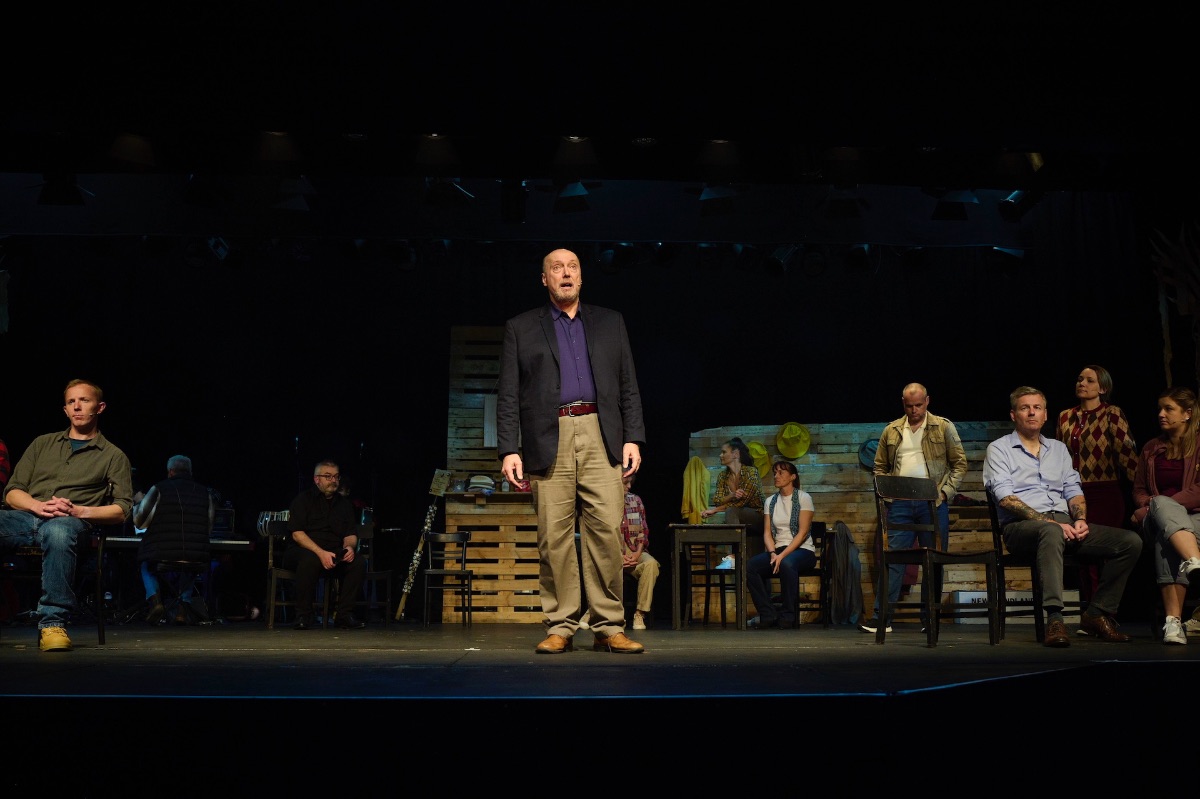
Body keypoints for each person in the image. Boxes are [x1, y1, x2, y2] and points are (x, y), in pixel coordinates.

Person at [498, 247, 646, 654]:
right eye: (556, 268)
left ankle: (608, 625)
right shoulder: (521, 327)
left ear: (581, 277)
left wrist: (633, 437)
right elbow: (508, 394)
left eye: (573, 267)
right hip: (550, 435)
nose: (565, 273)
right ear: (544, 279)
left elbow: (628, 385)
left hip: (601, 432)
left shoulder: (611, 322)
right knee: (554, 536)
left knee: (606, 533)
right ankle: (561, 625)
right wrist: (509, 448)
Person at [983, 385, 1143, 648]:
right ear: (1013, 415)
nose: (1031, 413)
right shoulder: (999, 449)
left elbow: (1073, 490)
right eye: (1025, 408)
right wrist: (1052, 523)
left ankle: (1096, 613)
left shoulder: (1058, 449)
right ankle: (1055, 618)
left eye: (1037, 408)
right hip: (1021, 528)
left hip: (1063, 524)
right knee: (1051, 531)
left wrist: (1080, 520)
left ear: (1045, 414)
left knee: (1129, 542)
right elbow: (1005, 498)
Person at [0, 379, 133, 652]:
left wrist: (78, 510)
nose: (77, 406)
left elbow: (121, 510)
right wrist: (37, 506)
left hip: (72, 522)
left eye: (84, 400)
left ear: (100, 407)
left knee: (59, 531)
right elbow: (12, 492)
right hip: (28, 517)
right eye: (71, 401)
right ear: (65, 409)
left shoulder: (113, 456)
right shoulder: (42, 444)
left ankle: (52, 623)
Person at [861, 382, 968, 634]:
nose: (914, 410)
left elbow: (959, 463)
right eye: (909, 405)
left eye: (919, 405)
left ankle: (930, 618)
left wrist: (945, 492)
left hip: (933, 502)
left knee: (933, 559)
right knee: (893, 559)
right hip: (900, 502)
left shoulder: (943, 426)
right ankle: (882, 618)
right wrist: (887, 493)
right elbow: (880, 467)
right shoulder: (892, 430)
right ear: (903, 403)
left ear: (927, 401)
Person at [1055, 365, 1139, 608]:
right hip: (1074, 494)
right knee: (1082, 554)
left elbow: (1126, 454)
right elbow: (1059, 455)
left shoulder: (1112, 413)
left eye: (1090, 380)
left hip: (1105, 492)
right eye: (1080, 379)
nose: (1082, 383)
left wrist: (1141, 490)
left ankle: (1103, 612)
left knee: (1104, 552)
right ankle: (1089, 611)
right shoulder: (1065, 416)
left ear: (1103, 388)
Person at [1130, 387, 1200, 645]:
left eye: (1169, 409)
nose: (1161, 414)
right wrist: (1156, 507)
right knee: (1162, 512)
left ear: (1187, 413)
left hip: (1195, 517)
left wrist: (1162, 506)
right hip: (1155, 516)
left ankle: (1173, 623)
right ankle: (1194, 561)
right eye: (1160, 408)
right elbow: (1139, 489)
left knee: (1166, 538)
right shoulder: (1151, 448)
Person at [284, 460, 367, 630]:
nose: (333, 480)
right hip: (304, 550)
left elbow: (350, 534)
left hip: (333, 551)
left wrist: (349, 548)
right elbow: (297, 534)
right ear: (317, 479)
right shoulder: (303, 500)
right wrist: (321, 553)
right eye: (328, 476)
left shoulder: (344, 504)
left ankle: (344, 615)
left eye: (336, 477)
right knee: (310, 560)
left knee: (357, 562)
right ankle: (303, 615)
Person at [133, 454, 215, 625]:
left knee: (146, 565)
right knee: (190, 567)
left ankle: (155, 602)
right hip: (195, 554)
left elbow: (140, 521)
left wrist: (138, 504)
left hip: (162, 553)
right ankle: (182, 610)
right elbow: (208, 526)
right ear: (190, 472)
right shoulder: (205, 493)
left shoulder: (158, 488)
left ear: (170, 471)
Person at [747, 461, 816, 630]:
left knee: (787, 563)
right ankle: (768, 614)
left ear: (792, 477)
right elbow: (767, 533)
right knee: (750, 567)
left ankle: (788, 616)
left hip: (803, 551)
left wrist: (782, 556)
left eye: (781, 473)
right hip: (778, 550)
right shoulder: (770, 501)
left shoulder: (803, 498)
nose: (776, 476)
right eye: (775, 473)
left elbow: (802, 533)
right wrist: (772, 553)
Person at [700, 437, 765, 554]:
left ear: (735, 454)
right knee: (730, 514)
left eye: (724, 452)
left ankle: (732, 555)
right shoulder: (722, 476)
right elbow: (717, 500)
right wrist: (732, 495)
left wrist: (715, 510)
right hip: (738, 517)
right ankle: (735, 556)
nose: (720, 455)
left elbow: (742, 502)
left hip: (758, 516)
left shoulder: (751, 472)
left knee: (731, 511)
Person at [619, 472, 659, 631]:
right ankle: (598, 612)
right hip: (613, 553)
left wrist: (637, 554)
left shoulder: (635, 500)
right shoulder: (605, 503)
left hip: (634, 551)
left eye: (631, 483)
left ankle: (640, 613)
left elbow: (643, 530)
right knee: (601, 564)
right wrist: (619, 556)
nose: (629, 486)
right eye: (625, 483)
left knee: (651, 564)